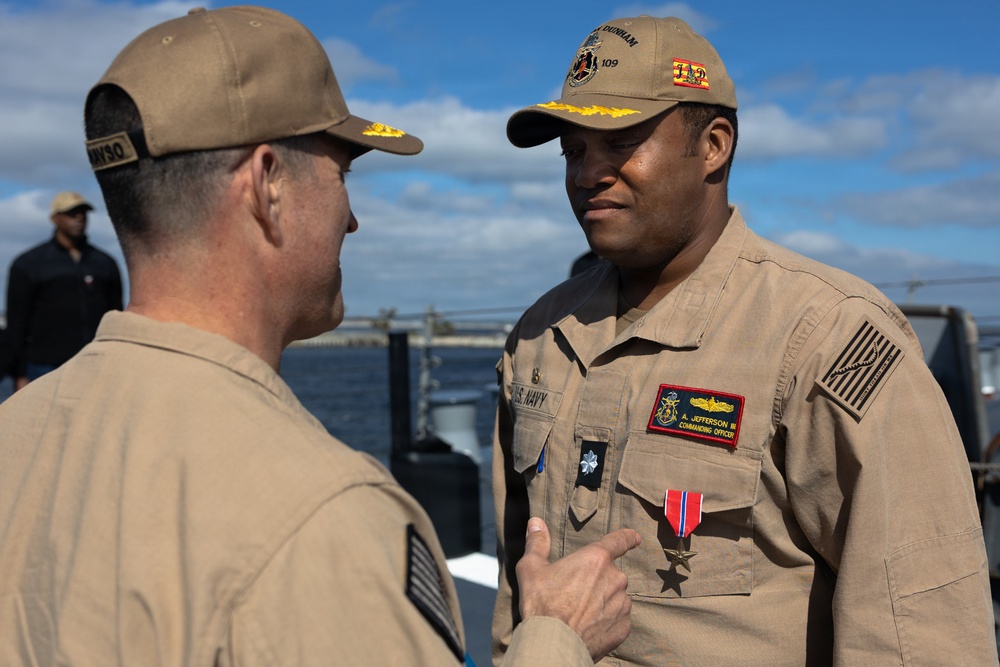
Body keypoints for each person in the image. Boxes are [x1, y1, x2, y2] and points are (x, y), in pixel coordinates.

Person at [0, 7, 641, 666]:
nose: (353, 219)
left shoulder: (15, 434)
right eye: (343, 174)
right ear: (267, 183)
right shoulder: (325, 518)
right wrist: (559, 637)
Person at [492, 15, 998, 666]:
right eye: (573, 149)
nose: (589, 172)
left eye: (618, 142)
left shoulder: (828, 337)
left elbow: (920, 635)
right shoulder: (540, 335)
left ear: (714, 145)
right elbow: (517, 599)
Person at [4, 191, 122, 390]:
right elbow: (17, 323)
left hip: (96, 365)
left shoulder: (104, 263)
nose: (79, 218)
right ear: (55, 218)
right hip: (44, 369)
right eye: (71, 213)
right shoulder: (29, 264)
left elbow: (116, 316)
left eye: (83, 213)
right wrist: (19, 373)